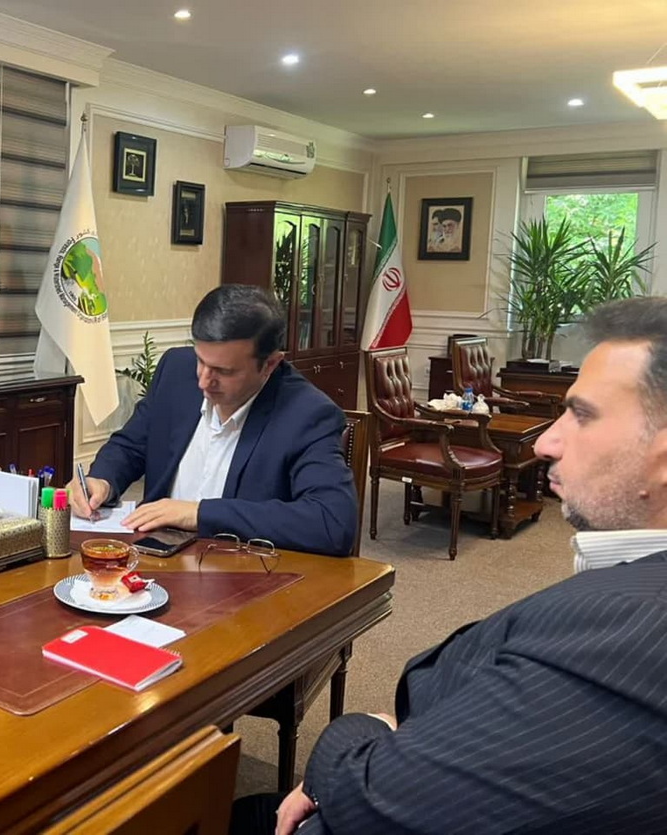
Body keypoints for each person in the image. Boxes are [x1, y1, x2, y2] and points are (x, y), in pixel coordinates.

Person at [232, 295, 667, 835]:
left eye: (581, 414)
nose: (549, 441)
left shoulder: (631, 631)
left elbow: (370, 798)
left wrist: (365, 725)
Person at [68, 285, 357, 556]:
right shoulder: (176, 370)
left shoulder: (307, 414)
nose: (203, 381)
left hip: (238, 570)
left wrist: (198, 514)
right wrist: (102, 480)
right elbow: (131, 445)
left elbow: (332, 522)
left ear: (269, 364)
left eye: (224, 371)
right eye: (200, 360)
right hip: (152, 557)